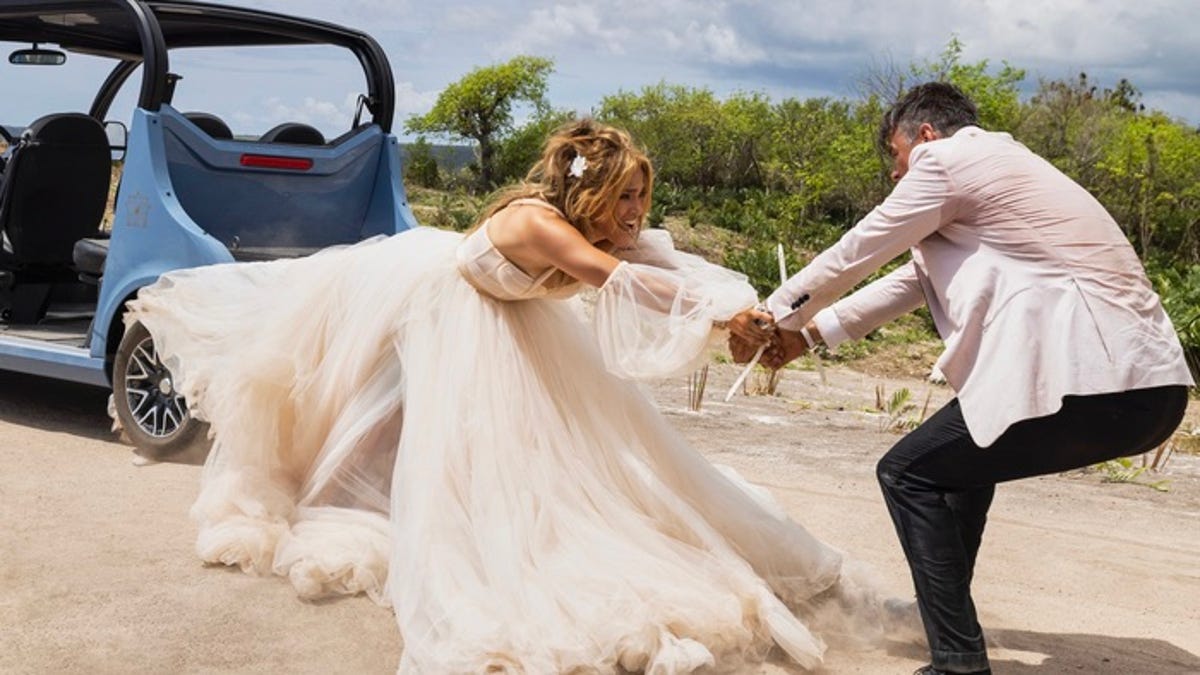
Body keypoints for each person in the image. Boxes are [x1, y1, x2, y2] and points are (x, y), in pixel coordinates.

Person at [127, 119, 914, 673]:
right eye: (626, 197)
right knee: (401, 430)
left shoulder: (605, 229)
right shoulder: (539, 225)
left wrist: (749, 321)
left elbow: (669, 273)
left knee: (529, 458)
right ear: (592, 188)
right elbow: (619, 282)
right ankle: (330, 498)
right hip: (431, 306)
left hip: (507, 323)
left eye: (642, 198)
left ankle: (369, 496)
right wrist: (714, 318)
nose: (637, 214)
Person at [742, 82, 1195, 675]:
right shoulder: (1007, 173)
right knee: (958, 473)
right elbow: (909, 281)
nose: (896, 176)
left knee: (906, 474)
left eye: (895, 159)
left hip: (1094, 380)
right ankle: (941, 625)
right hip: (1149, 390)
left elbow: (861, 249)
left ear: (924, 135)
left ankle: (958, 662)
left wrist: (769, 314)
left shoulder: (951, 162)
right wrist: (807, 335)